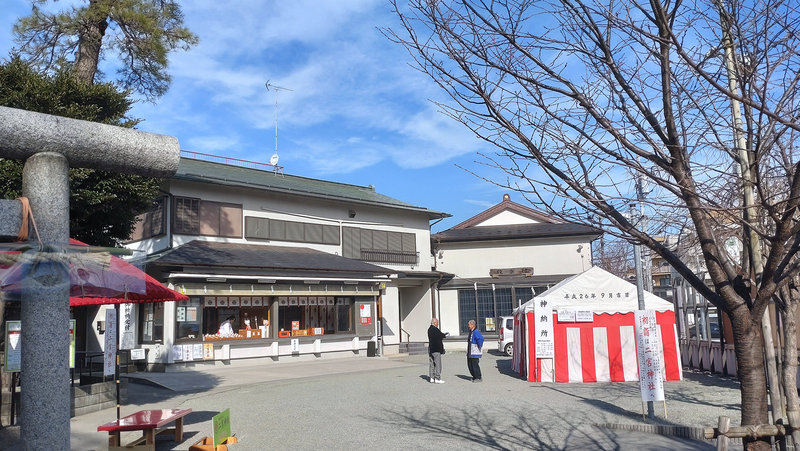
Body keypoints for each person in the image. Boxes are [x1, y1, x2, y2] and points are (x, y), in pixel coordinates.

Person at [428, 318, 448, 384]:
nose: (438, 324)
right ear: (435, 323)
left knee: (432, 364)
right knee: (438, 364)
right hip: (436, 349)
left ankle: (431, 378)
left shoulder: (429, 329)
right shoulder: (436, 330)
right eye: (437, 322)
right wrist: (445, 335)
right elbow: (441, 337)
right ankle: (437, 378)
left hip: (431, 348)